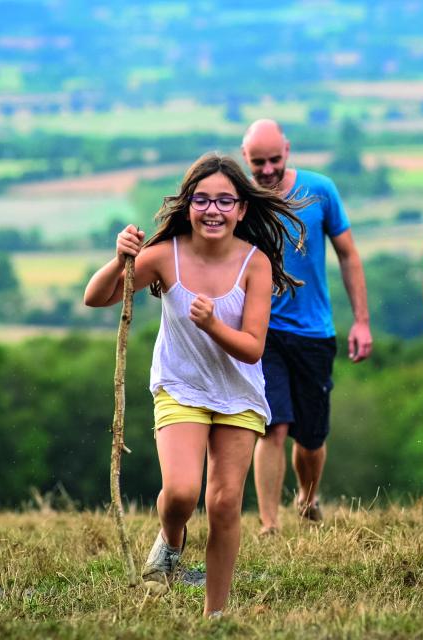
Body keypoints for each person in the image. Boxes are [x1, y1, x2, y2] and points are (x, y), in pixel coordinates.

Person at [84, 153, 305, 616]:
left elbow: (252, 348)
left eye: (225, 201)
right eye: (202, 199)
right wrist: (120, 259)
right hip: (180, 386)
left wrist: (211, 326)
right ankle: (171, 536)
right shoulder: (167, 256)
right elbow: (97, 297)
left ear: (242, 209)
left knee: (224, 504)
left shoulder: (255, 263)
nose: (213, 210)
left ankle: (215, 614)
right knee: (182, 492)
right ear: (188, 206)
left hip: (239, 394)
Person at [241, 119, 373, 534]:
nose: (266, 169)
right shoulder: (239, 201)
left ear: (288, 151)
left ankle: (307, 496)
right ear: (245, 158)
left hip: (314, 330)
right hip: (263, 332)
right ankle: (268, 523)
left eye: (274, 160)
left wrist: (362, 322)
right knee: (273, 425)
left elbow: (348, 254)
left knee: (311, 438)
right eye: (257, 162)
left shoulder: (321, 190)